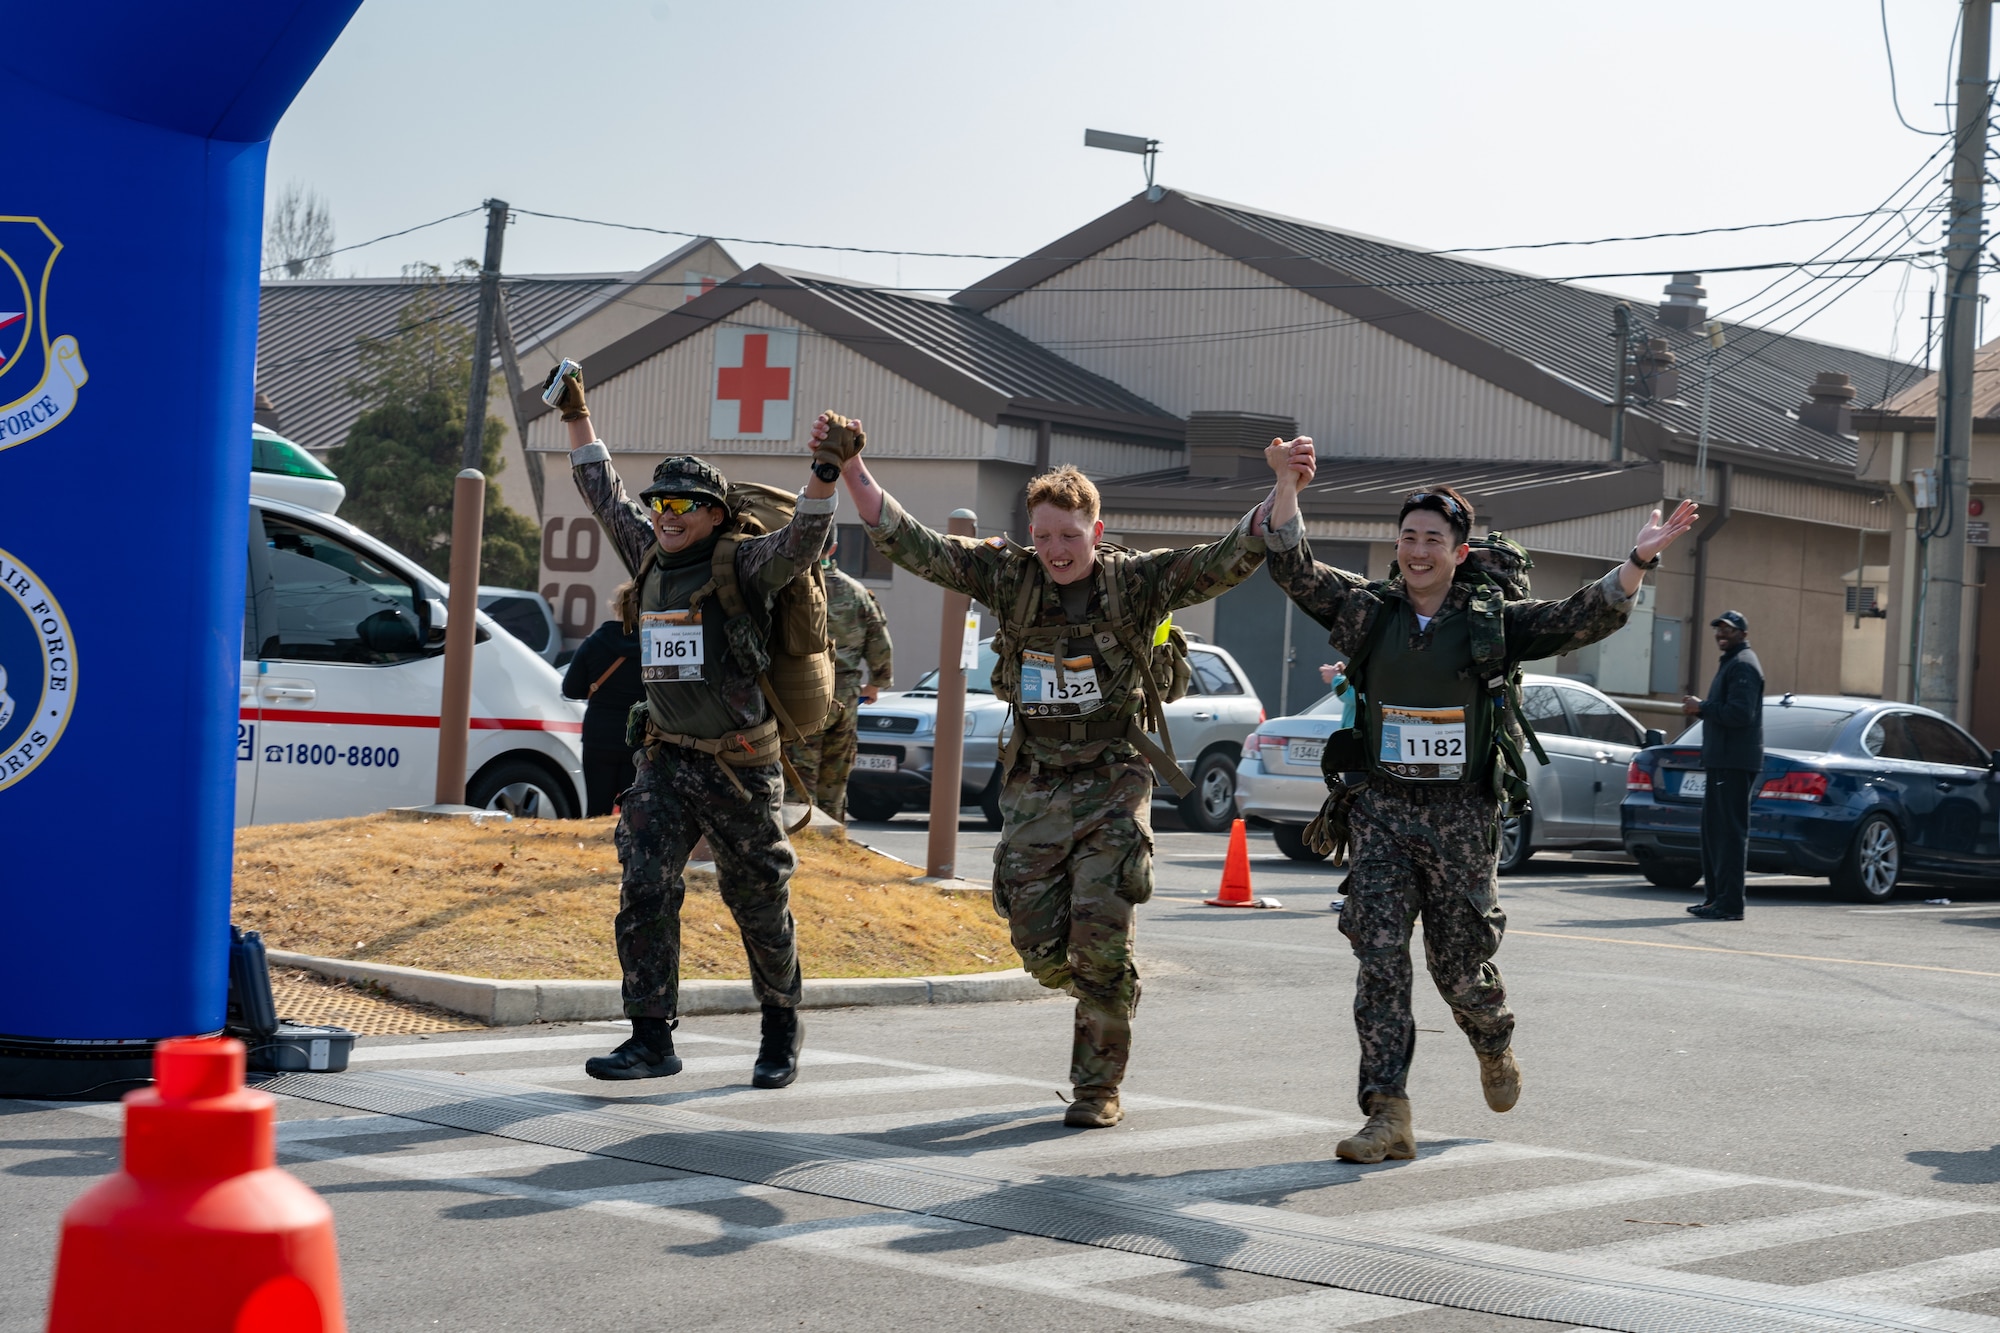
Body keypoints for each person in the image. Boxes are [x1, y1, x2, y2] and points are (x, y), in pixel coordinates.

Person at [1258, 437, 1697, 1164]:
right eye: (1408, 537)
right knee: (1379, 957)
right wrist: (1286, 487)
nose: (1418, 550)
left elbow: (1578, 615)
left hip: (1462, 816)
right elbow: (1294, 567)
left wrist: (1637, 563)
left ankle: (1492, 1039)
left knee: (1458, 967)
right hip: (1381, 809)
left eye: (1434, 539)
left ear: (1459, 552)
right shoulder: (1369, 611)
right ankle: (1387, 1112)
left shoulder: (1492, 622)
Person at [830, 415, 1275, 1129]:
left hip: (1113, 775)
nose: (1056, 549)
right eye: (1043, 535)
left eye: (1069, 535)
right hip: (1036, 778)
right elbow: (914, 544)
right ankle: (1103, 987)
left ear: (1097, 531)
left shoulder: (1139, 583)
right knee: (1036, 943)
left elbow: (1231, 555)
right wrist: (854, 467)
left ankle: (1097, 1082)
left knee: (1102, 931)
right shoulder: (1011, 577)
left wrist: (1283, 488)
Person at [546, 363, 853, 1088]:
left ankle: (781, 1025)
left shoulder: (742, 564)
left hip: (740, 763)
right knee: (644, 883)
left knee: (757, 897)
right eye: (662, 501)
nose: (668, 512)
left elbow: (802, 542)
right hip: (665, 759)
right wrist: (575, 415)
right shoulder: (648, 554)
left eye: (686, 502)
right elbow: (602, 491)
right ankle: (651, 1036)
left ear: (717, 513)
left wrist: (826, 469)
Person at [783, 554, 893, 822]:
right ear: (832, 548)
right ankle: (833, 838)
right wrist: (876, 684)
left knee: (799, 776)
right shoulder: (857, 592)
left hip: (805, 692)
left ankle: (804, 844)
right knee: (835, 779)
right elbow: (881, 644)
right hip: (846, 695)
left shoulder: (790, 587)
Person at [1681, 610, 1763, 922]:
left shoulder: (1744, 665)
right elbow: (1728, 710)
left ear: (1743, 633)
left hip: (1734, 762)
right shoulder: (1732, 662)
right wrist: (1704, 709)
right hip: (1721, 761)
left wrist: (1703, 708)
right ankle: (1716, 898)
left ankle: (1730, 904)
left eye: (1728, 629)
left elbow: (1742, 714)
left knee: (1729, 834)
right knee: (1714, 833)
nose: (1721, 634)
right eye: (1718, 629)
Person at [561, 583, 645, 818]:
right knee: (635, 812)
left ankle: (593, 850)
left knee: (596, 811)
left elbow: (570, 688)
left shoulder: (595, 642)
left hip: (598, 737)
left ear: (617, 607)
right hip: (639, 738)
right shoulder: (653, 646)